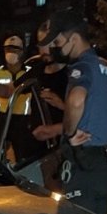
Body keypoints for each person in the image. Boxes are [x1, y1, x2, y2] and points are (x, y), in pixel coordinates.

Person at [37, 9, 107, 214]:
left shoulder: (81, 67)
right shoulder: (103, 67)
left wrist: (70, 134)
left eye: (57, 43)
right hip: (102, 164)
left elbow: (76, 100)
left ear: (73, 38)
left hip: (83, 161)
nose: (55, 48)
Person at [24, 27, 71, 190]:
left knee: (59, 198)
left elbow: (85, 117)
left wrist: (62, 104)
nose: (44, 50)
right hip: (36, 151)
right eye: (41, 44)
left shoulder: (71, 74)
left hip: (60, 151)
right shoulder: (37, 70)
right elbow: (13, 90)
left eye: (48, 43)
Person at [0, 35, 38, 161]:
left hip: (23, 120)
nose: (11, 52)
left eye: (15, 49)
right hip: (1, 118)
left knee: (23, 156)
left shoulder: (30, 72)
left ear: (22, 51)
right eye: (8, 49)